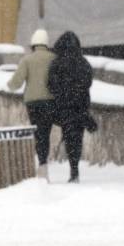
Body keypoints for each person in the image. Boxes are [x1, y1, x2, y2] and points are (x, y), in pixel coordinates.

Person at [47, 31, 96, 183]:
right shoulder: (83, 63)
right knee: (77, 138)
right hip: (80, 106)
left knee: (69, 136)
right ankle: (75, 169)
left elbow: (51, 85)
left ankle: (73, 169)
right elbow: (88, 81)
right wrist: (78, 91)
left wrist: (63, 93)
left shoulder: (57, 63)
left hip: (64, 106)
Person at [7, 29, 56, 180]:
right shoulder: (54, 59)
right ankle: (43, 166)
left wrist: (10, 84)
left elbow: (15, 83)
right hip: (50, 101)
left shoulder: (27, 60)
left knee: (38, 133)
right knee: (45, 133)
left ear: (33, 44)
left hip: (33, 103)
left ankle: (41, 166)